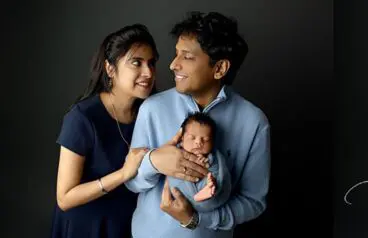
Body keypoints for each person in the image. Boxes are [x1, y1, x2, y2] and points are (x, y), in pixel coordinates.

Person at [124, 11, 270, 237]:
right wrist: (153, 162)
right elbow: (131, 183)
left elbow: (253, 201)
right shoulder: (152, 108)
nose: (173, 65)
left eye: (187, 57)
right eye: (175, 54)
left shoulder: (254, 122)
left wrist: (198, 220)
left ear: (219, 68)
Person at [51, 24, 158, 238]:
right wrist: (123, 174)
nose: (148, 72)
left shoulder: (151, 113)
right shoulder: (83, 117)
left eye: (151, 63)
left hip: (130, 226)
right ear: (110, 69)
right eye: (136, 63)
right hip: (85, 228)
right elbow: (64, 198)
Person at [165, 112, 232, 211]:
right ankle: (203, 193)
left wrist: (207, 162)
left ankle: (207, 189)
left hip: (204, 186)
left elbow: (216, 167)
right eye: (192, 138)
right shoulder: (176, 151)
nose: (198, 142)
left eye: (205, 139)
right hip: (183, 190)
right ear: (182, 138)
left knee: (211, 179)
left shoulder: (211, 156)